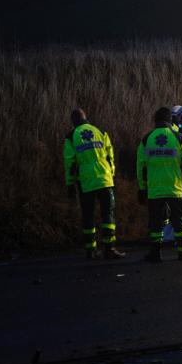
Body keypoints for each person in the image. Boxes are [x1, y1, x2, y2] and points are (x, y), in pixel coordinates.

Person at [63, 108, 125, 259]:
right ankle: (109, 249)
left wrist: (70, 184)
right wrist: (111, 175)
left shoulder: (71, 137)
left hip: (86, 182)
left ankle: (91, 250)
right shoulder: (100, 131)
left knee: (88, 216)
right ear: (86, 118)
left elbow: (69, 163)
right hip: (105, 180)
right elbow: (110, 156)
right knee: (108, 215)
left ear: (73, 122)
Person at [136, 107, 182, 262]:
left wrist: (142, 188)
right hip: (175, 188)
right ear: (170, 120)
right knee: (179, 221)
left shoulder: (146, 139)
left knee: (156, 223)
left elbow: (140, 166)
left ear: (155, 120)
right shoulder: (179, 138)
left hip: (154, 189)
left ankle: (155, 253)